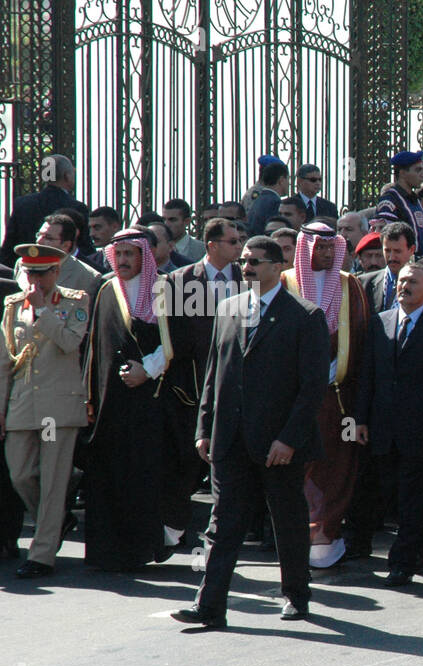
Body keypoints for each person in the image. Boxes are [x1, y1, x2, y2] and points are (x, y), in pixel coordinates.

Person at [173, 236, 329, 629]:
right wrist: (204, 428)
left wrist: (290, 438)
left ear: (278, 266)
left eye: (256, 261)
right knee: (222, 525)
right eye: (243, 261)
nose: (247, 267)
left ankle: (296, 595)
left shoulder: (305, 316)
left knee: (287, 521)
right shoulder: (228, 309)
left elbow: (313, 387)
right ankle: (209, 605)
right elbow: (213, 375)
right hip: (230, 439)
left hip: (278, 444)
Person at [353, 263, 423, 586]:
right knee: (393, 494)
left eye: (413, 282)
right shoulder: (379, 324)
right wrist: (360, 419)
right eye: (401, 281)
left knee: (412, 495)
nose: (405, 287)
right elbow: (367, 375)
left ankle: (402, 562)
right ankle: (422, 538)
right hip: (383, 428)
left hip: (422, 427)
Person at [280, 221, 370, 569]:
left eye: (332, 247)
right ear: (306, 248)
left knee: (338, 468)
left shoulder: (351, 286)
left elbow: (361, 344)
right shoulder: (286, 283)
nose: (327, 253)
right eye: (320, 247)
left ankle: (327, 536)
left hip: (340, 399)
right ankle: (297, 537)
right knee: (296, 468)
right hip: (295, 399)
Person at [0, 245, 91, 578]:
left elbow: (70, 342)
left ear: (55, 272)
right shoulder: (12, 305)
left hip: (57, 408)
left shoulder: (74, 300)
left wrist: (43, 311)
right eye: (29, 273)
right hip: (23, 404)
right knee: (20, 473)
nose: (34, 280)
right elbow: (4, 362)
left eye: (41, 273)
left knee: (53, 479)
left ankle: (42, 554)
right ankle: (54, 521)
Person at [83, 230, 170, 571]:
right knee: (105, 471)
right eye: (118, 255)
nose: (123, 261)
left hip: (149, 398)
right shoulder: (105, 288)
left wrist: (147, 370)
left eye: (130, 255)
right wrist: (87, 396)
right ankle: (106, 553)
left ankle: (137, 551)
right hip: (109, 401)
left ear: (145, 256)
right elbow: (92, 348)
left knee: (141, 473)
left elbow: (180, 341)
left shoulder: (166, 289)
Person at [156, 217, 244, 546]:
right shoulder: (178, 282)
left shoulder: (246, 279)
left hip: (236, 388)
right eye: (233, 242)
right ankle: (174, 526)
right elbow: (173, 342)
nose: (239, 247)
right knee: (187, 461)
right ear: (212, 245)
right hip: (189, 392)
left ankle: (228, 533)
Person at [0, 155, 92, 267]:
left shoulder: (22, 203)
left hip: (27, 265)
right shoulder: (76, 207)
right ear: (66, 176)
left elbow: (9, 246)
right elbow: (84, 247)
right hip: (61, 269)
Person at [375, 151, 423, 256]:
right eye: (418, 170)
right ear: (402, 173)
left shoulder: (414, 199)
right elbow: (386, 237)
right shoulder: (389, 200)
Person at [247, 160, 290, 237]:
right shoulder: (275, 202)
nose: (289, 184)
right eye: (288, 179)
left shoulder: (260, 198)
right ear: (281, 180)